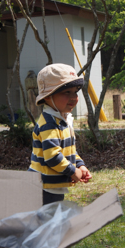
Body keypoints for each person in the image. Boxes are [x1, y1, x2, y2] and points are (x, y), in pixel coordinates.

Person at [28, 63, 92, 205]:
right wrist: (72, 171)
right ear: (48, 97)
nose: (73, 97)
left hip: (53, 185)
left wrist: (80, 165)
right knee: (45, 221)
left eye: (75, 92)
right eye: (66, 92)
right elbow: (52, 157)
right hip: (43, 185)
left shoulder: (61, 119)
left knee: (50, 220)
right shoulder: (49, 123)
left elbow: (67, 150)